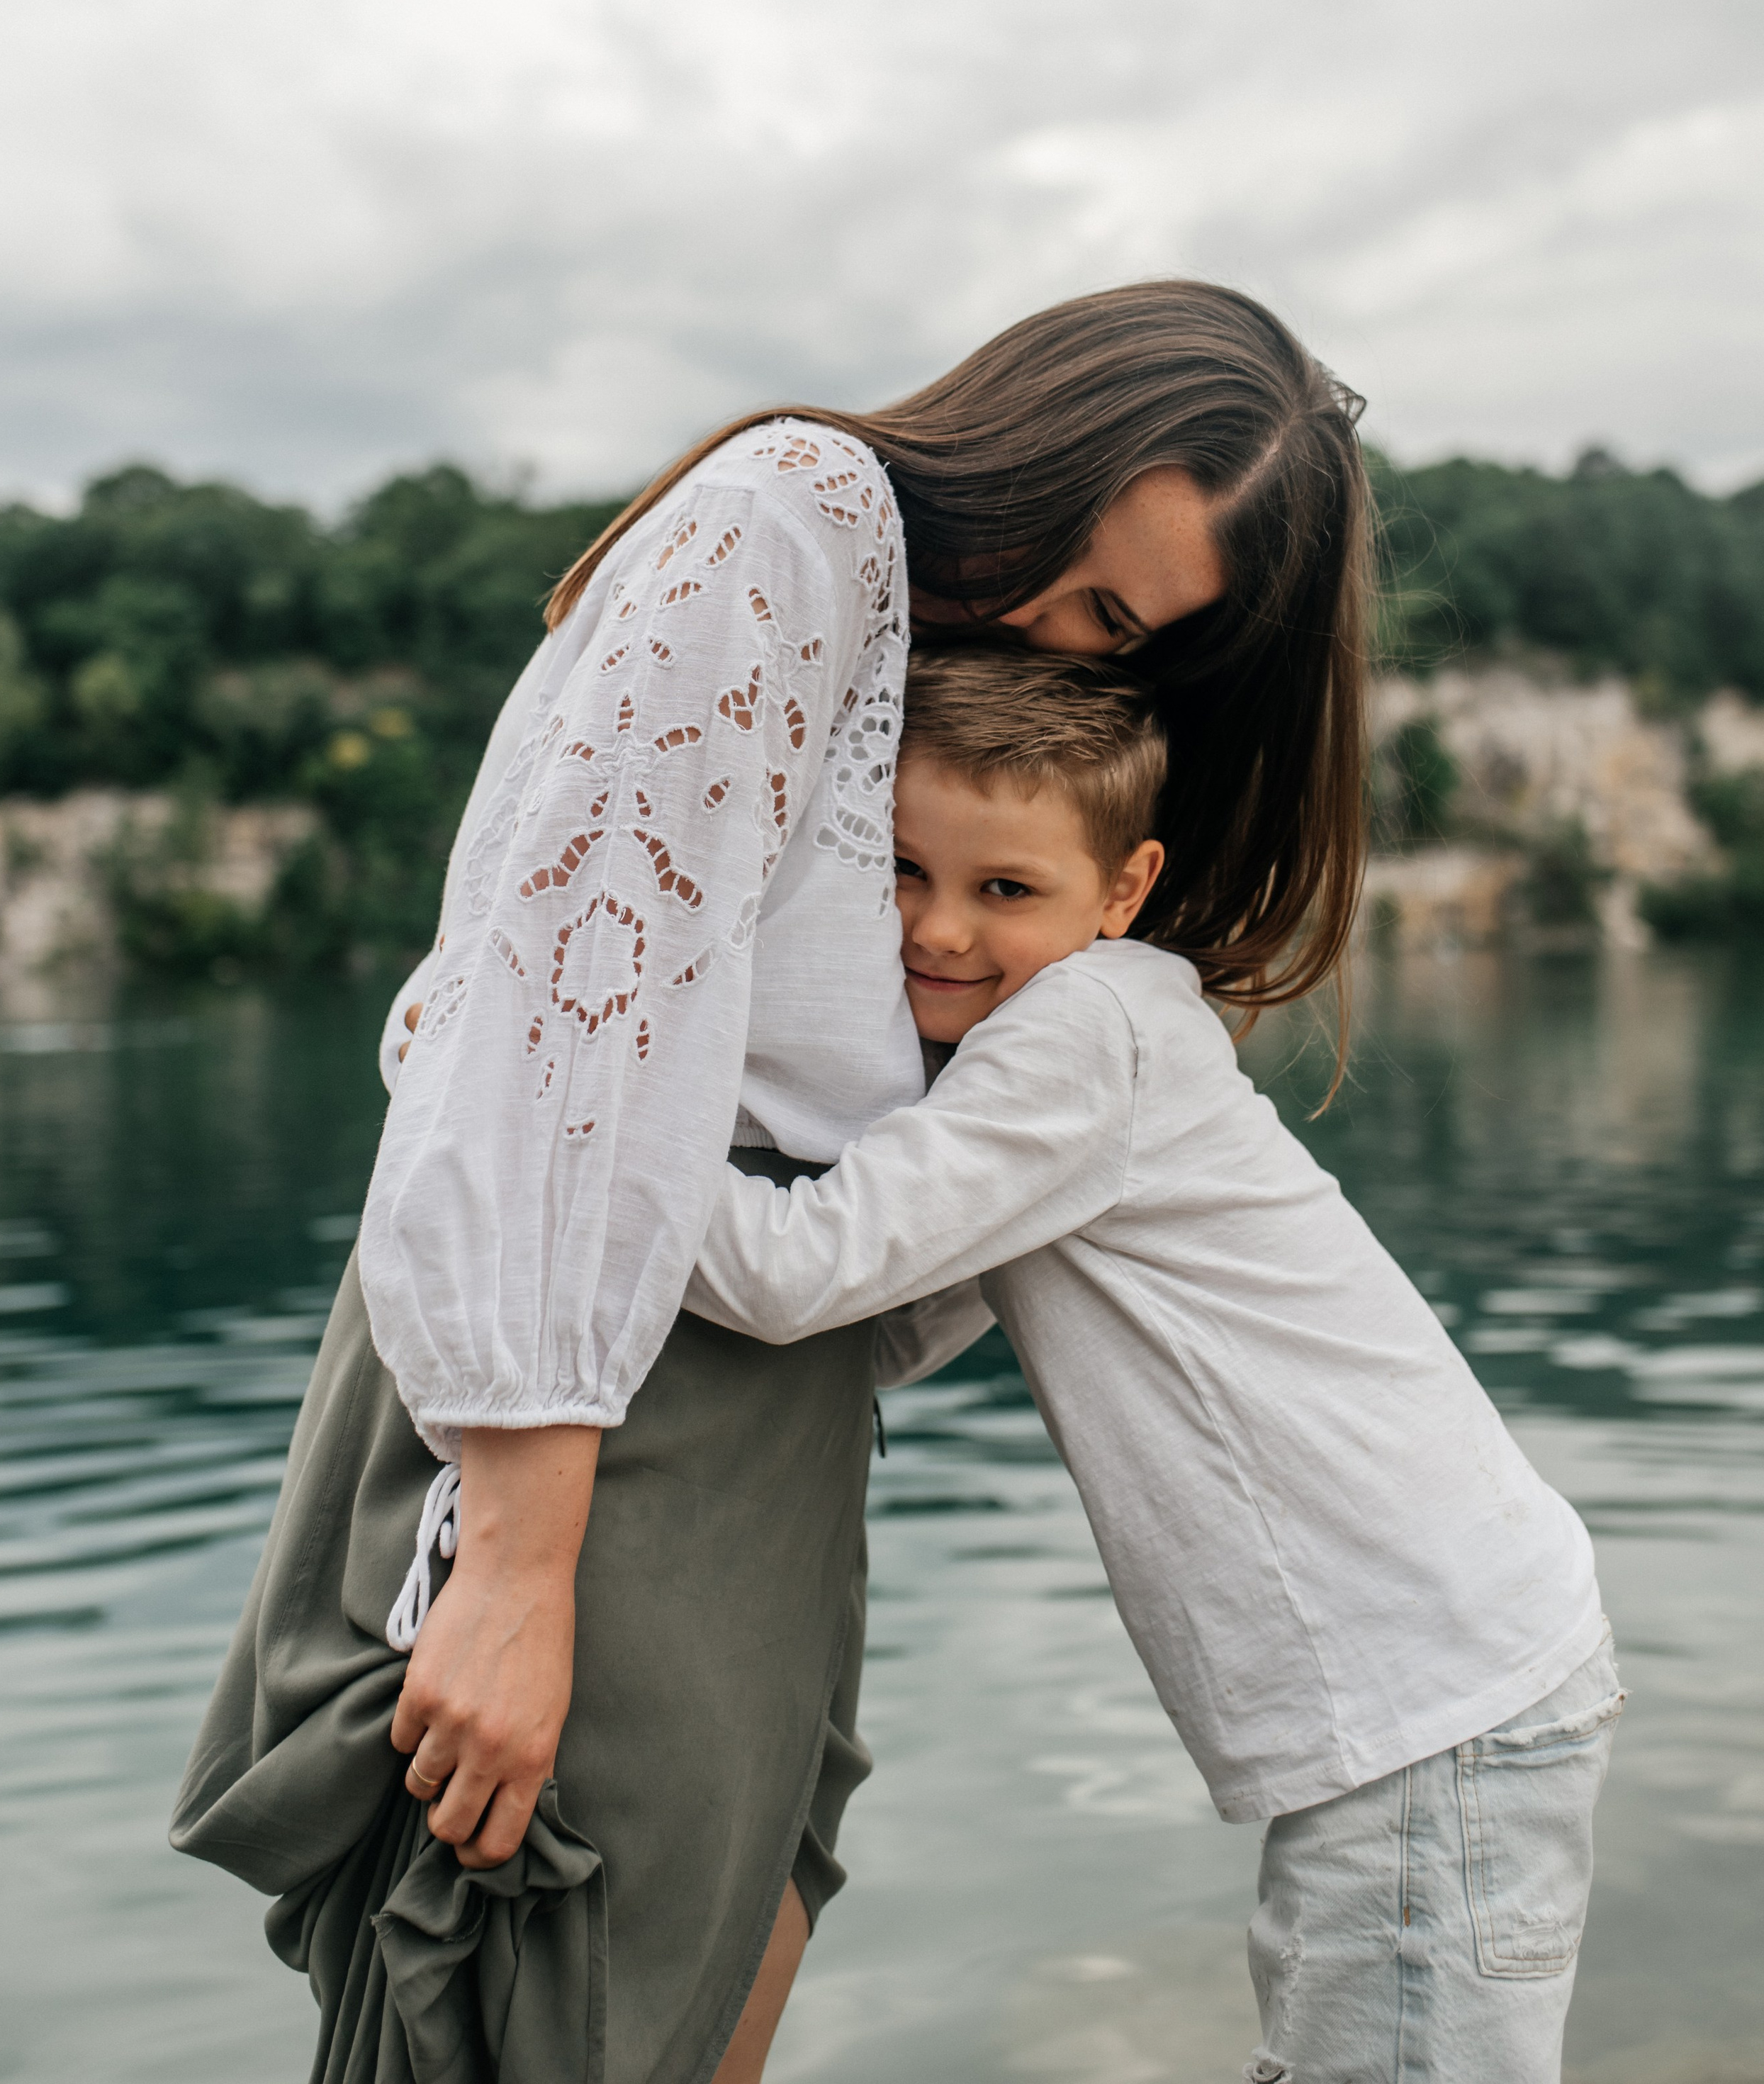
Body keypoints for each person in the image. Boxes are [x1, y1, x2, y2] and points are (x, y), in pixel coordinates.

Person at [173, 280, 1377, 2084]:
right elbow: (575, 1007)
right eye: (1062, 562)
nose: (1042, 628)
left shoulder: (893, 613)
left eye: (1112, 634)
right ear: (1022, 430)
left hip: (749, 1382)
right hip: (585, 1370)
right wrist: (512, 1559)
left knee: (724, 1947)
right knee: (558, 1975)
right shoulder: (794, 518)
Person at [689, 644, 1622, 2084]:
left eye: (1006, 888)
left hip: (1430, 1691)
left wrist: (557, 1099)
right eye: (897, 870)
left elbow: (792, 1272)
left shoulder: (1085, 1031)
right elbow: (874, 1325)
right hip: (1445, 1671)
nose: (936, 929)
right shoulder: (1068, 1039)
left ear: (1119, 889)